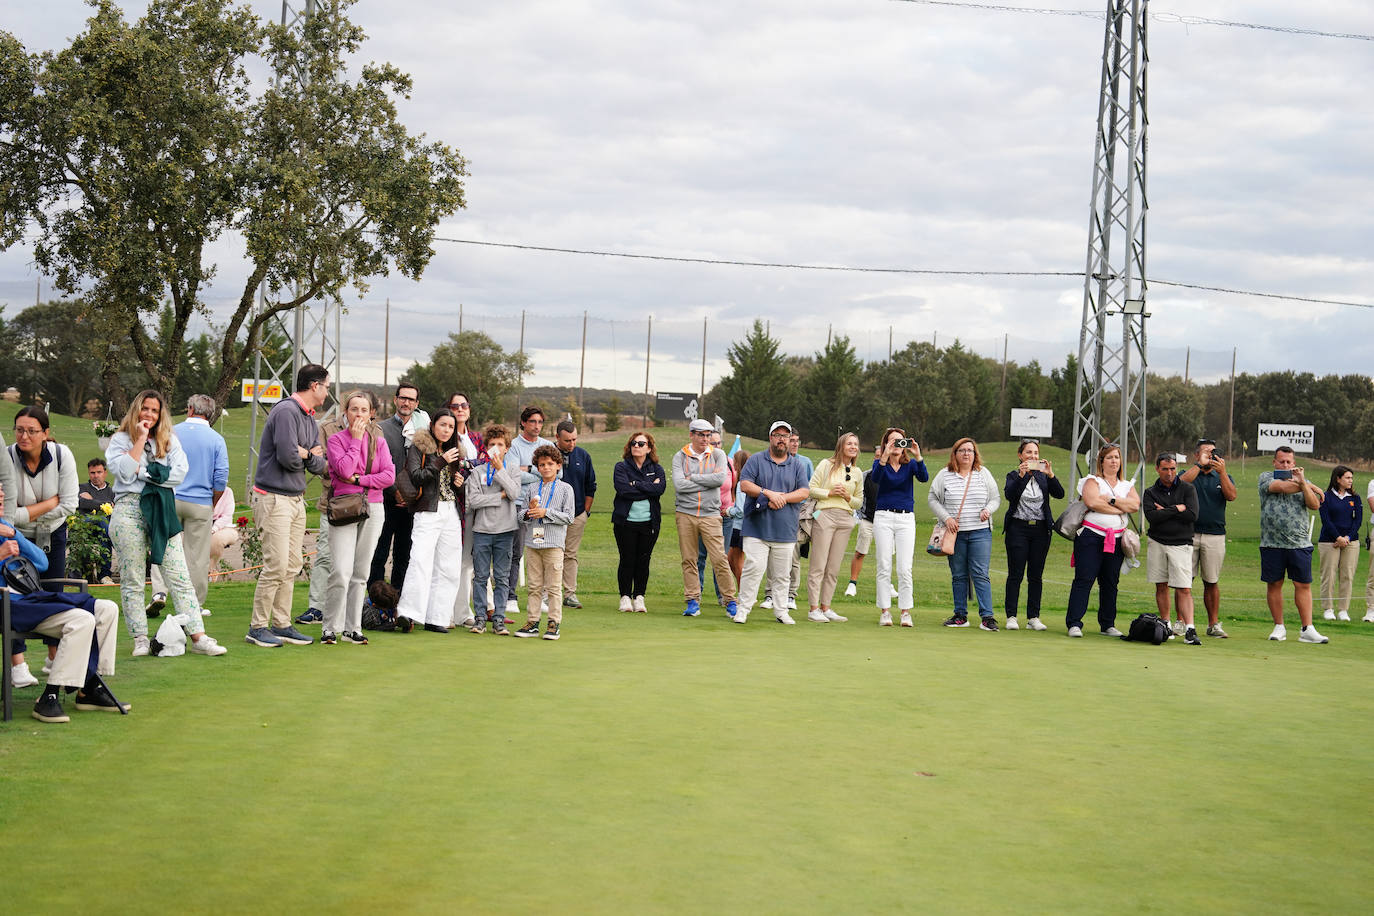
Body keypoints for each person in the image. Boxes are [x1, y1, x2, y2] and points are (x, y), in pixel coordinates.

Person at [106, 389, 227, 657]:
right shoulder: (119, 440)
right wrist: (138, 441)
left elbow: (178, 474)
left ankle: (199, 636)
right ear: (136, 410)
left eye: (154, 410)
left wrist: (145, 471)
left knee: (180, 576)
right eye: (145, 409)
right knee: (134, 578)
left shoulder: (169, 440)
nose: (149, 414)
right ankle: (140, 638)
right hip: (129, 508)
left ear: (161, 415)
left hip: (162, 508)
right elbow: (124, 472)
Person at [4, 487, 126, 724]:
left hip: (31, 600)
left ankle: (89, 685)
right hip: (9, 604)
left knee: (107, 609)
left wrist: (14, 534)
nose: (3, 507)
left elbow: (40, 561)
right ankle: (49, 696)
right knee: (82, 620)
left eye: (3, 502)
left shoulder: (6, 528)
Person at [247, 365, 329, 648]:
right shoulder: (286, 412)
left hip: (295, 498)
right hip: (273, 498)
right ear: (315, 386)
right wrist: (306, 454)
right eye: (327, 386)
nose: (328, 392)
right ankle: (257, 626)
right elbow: (288, 457)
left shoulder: (309, 418)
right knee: (276, 564)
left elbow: (319, 464)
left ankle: (281, 624)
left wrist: (305, 454)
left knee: (292, 565)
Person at [322, 390, 396, 646]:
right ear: (346, 411)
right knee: (340, 572)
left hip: (373, 508)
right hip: (345, 507)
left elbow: (388, 477)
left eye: (364, 410)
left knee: (361, 573)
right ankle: (330, 627)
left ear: (372, 413)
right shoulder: (335, 440)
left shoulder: (380, 442)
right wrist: (354, 440)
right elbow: (342, 469)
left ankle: (353, 628)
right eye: (354, 409)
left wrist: (359, 480)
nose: (359, 415)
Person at [149, 394, 229, 611]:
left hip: (170, 498)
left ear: (191, 409)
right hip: (201, 502)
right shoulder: (216, 439)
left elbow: (157, 463)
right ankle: (193, 604)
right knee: (197, 557)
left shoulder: (172, 432)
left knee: (162, 547)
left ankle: (159, 592)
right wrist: (212, 501)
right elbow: (220, 478)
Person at [732, 421, 810, 625]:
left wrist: (782, 498)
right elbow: (745, 484)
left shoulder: (796, 465)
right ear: (771, 437)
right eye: (777, 435)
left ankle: (781, 610)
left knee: (782, 574)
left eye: (785, 435)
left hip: (785, 529)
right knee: (753, 568)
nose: (781, 439)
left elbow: (804, 492)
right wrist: (769, 494)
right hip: (757, 528)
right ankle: (743, 609)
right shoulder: (757, 460)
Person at [396, 409, 465, 633]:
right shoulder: (420, 447)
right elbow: (416, 477)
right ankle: (408, 612)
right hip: (427, 510)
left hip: (450, 511)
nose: (446, 430)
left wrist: (459, 482)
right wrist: (439, 462)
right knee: (419, 561)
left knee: (449, 567)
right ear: (433, 424)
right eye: (443, 425)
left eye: (451, 427)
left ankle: (437, 617)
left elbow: (455, 488)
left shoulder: (455, 451)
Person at [1065, 443, 1139, 638]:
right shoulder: (1092, 481)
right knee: (1084, 579)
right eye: (1110, 458)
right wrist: (1120, 508)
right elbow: (1092, 502)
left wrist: (1112, 500)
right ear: (1101, 461)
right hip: (1090, 537)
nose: (1114, 461)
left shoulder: (1126, 485)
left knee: (1110, 582)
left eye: (1117, 457)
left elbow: (1135, 505)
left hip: (1116, 540)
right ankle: (1074, 623)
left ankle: (1107, 624)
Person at [929, 437, 1001, 630]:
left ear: (975, 454)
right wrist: (947, 518)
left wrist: (988, 510)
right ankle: (960, 615)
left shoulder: (983, 473)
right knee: (959, 575)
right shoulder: (945, 475)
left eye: (970, 450)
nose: (967, 454)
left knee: (980, 574)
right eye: (962, 450)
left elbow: (995, 498)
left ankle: (987, 617)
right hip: (955, 533)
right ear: (955, 454)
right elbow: (933, 498)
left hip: (980, 532)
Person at [1258, 447, 1328, 643]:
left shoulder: (1304, 482)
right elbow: (1280, 488)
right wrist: (1311, 486)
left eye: (1289, 462)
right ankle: (1279, 627)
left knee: (1303, 584)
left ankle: (1307, 628)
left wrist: (1306, 486)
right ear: (1274, 462)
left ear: (1294, 462)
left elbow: (1315, 505)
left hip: (1299, 542)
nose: (1286, 465)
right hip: (1271, 542)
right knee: (1274, 584)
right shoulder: (1265, 477)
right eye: (1282, 461)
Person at [672, 418, 738, 617]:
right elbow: (679, 485)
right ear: (691, 434)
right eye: (701, 434)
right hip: (686, 513)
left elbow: (719, 480)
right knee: (689, 559)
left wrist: (692, 478)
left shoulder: (718, 454)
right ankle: (693, 600)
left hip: (710, 514)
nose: (705, 439)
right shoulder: (680, 457)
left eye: (708, 435)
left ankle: (730, 601)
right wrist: (707, 482)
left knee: (719, 558)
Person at [367, 381, 425, 592]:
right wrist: (395, 492)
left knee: (404, 555)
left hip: (411, 504)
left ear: (416, 403)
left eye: (411, 399)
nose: (406, 402)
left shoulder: (423, 432)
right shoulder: (381, 429)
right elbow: (374, 464)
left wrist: (411, 495)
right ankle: (376, 601)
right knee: (379, 554)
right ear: (395, 400)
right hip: (385, 501)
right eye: (403, 398)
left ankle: (398, 601)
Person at [513, 444, 575, 640]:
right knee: (534, 585)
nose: (546, 467)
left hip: (554, 544)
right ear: (537, 467)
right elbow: (521, 515)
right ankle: (532, 621)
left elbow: (569, 517)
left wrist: (546, 512)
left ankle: (553, 623)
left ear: (558, 465)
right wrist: (531, 511)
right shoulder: (532, 488)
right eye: (542, 464)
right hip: (533, 543)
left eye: (550, 464)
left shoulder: (566, 488)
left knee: (554, 587)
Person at [464, 424, 521, 634]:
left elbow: (514, 493)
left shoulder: (513, 469)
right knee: (480, 576)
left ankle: (499, 619)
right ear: (486, 448)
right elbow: (473, 500)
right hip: (482, 531)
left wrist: (500, 471)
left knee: (502, 577)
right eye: (491, 445)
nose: (496, 448)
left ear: (507, 448)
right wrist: (499, 496)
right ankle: (479, 617)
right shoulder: (478, 471)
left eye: (500, 444)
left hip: (506, 531)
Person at [8, 407, 78, 577]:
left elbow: (69, 506)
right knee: (21, 594)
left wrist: (24, 513)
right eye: (19, 430)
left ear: (45, 433)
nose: (24, 436)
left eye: (32, 431)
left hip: (54, 534)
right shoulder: (6, 458)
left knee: (54, 592)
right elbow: (7, 514)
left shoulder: (62, 455)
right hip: (18, 539)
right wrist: (49, 503)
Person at [1002, 439, 1063, 631]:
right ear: (1020, 455)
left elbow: (1059, 494)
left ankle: (1033, 617)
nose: (1033, 456)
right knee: (1016, 574)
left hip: (1040, 530)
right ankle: (1011, 616)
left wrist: (1051, 475)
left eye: (1036, 453)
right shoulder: (1013, 475)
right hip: (1018, 529)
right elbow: (1010, 496)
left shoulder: (1044, 476)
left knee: (1036, 575)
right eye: (1028, 453)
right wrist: (1022, 476)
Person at [870, 427, 928, 627]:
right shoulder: (880, 464)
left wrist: (918, 456)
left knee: (904, 568)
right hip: (883, 517)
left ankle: (905, 611)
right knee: (884, 565)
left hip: (905, 519)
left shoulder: (910, 465)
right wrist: (884, 456)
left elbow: (924, 477)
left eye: (900, 441)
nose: (896, 444)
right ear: (886, 443)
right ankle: (885, 611)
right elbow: (875, 478)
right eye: (892, 441)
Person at [1178, 438, 1236, 638]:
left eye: (1213, 453)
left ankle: (1213, 624)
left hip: (1215, 535)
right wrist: (1198, 465)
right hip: (1188, 534)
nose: (1211, 456)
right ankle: (1180, 623)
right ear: (1196, 455)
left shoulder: (1222, 476)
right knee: (1184, 580)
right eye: (1206, 453)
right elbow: (1180, 484)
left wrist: (1221, 473)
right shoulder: (1189, 474)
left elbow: (1231, 495)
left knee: (1211, 581)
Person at [804, 433, 863, 623]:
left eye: (856, 444)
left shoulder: (857, 472)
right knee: (818, 564)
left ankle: (826, 607)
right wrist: (829, 492)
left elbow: (858, 503)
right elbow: (810, 489)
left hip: (845, 519)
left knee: (834, 567)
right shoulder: (826, 464)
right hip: (824, 515)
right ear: (841, 445)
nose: (853, 447)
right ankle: (814, 609)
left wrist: (847, 497)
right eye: (849, 443)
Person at [1143, 453, 1201, 645]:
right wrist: (1177, 508)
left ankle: (1190, 629)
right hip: (1158, 542)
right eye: (1165, 469)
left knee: (1184, 588)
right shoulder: (1150, 492)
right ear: (1157, 469)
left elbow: (1192, 515)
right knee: (1161, 585)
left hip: (1181, 543)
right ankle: (1166, 624)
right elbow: (1153, 517)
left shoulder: (1188, 488)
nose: (1169, 473)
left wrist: (1166, 510)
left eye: (1173, 469)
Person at [504, 406, 553, 616]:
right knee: (515, 553)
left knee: (539, 550)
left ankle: (538, 597)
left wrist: (529, 469)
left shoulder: (548, 445)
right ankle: (510, 597)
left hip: (541, 509)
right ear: (523, 422)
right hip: (518, 505)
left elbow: (556, 475)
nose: (537, 426)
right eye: (532, 421)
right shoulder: (514, 446)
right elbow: (513, 472)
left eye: (540, 422)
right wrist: (539, 471)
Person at [612, 431, 666, 612]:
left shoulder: (657, 469)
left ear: (649, 448)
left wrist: (636, 484)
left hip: (649, 523)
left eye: (641, 444)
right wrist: (648, 487)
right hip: (625, 522)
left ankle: (639, 597)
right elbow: (623, 491)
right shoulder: (621, 467)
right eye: (634, 443)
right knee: (627, 559)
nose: (636, 446)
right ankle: (625, 597)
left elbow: (660, 489)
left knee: (643, 561)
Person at [446, 392, 484, 628]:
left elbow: (485, 462)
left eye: (464, 405)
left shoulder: (476, 438)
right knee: (449, 560)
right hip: (452, 502)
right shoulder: (445, 436)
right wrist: (471, 465)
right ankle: (445, 611)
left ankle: (462, 611)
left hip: (474, 504)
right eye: (455, 406)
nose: (460, 409)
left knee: (467, 562)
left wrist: (468, 464)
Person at [766, 430, 814, 612]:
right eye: (790, 440)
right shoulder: (773, 460)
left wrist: (810, 515)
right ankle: (770, 594)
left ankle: (790, 595)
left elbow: (809, 490)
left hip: (799, 513)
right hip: (775, 509)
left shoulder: (805, 463)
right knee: (772, 553)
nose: (793, 443)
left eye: (796, 441)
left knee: (793, 555)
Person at [554, 419, 596, 610]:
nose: (572, 444)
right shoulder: (548, 453)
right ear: (557, 438)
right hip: (550, 515)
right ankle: (547, 594)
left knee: (570, 554)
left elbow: (591, 486)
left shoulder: (583, 455)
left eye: (574, 439)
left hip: (577, 514)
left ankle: (570, 593)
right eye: (567, 440)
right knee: (548, 553)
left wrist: (585, 512)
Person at [696, 430, 735, 607]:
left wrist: (732, 507)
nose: (716, 446)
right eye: (712, 443)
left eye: (718, 443)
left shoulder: (729, 462)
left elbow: (734, 486)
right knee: (700, 556)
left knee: (721, 557)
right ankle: (696, 594)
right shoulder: (700, 463)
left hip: (725, 517)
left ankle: (723, 595)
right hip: (703, 515)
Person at [1318, 465, 1362, 623]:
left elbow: (1358, 520)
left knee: (1347, 575)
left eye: (1351, 478)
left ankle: (1343, 610)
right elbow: (1326, 520)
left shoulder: (1355, 498)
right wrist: (1337, 537)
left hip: (1350, 542)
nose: (1351, 481)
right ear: (1338, 479)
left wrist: (1347, 538)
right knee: (1328, 575)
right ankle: (1328, 609)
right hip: (1329, 541)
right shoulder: (1326, 496)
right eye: (1347, 478)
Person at [844, 444, 883, 599]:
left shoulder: (892, 476)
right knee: (860, 552)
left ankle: (888, 586)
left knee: (885, 555)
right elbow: (858, 498)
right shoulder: (866, 475)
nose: (879, 458)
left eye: (882, 455)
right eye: (877, 456)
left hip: (886, 521)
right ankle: (852, 584)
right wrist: (860, 516)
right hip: (868, 520)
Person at [726, 449, 750, 587]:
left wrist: (728, 511)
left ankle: (744, 595)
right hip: (739, 527)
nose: (733, 464)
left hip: (739, 527)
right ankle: (743, 591)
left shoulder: (742, 483)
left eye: (735, 461)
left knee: (738, 562)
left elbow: (740, 510)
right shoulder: (744, 482)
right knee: (730, 560)